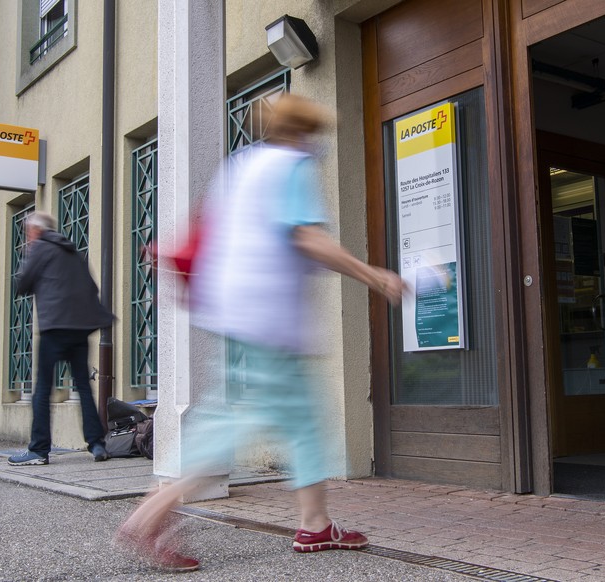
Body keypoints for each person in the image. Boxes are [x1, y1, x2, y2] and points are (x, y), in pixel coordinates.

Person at [115, 94, 406, 572]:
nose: (317, 145)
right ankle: (152, 512)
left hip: (238, 310)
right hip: (271, 317)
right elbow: (306, 237)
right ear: (301, 132)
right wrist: (373, 275)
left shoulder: (240, 165)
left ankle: (316, 523)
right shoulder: (289, 166)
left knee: (302, 420)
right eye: (314, 135)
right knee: (238, 421)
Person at [7, 211, 114, 466]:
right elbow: (92, 287)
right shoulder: (72, 251)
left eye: (27, 232)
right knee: (84, 388)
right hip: (79, 328)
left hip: (54, 327)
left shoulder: (40, 248)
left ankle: (38, 450)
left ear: (35, 231)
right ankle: (97, 444)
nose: (27, 236)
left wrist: (28, 254)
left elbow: (22, 284)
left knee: (43, 389)